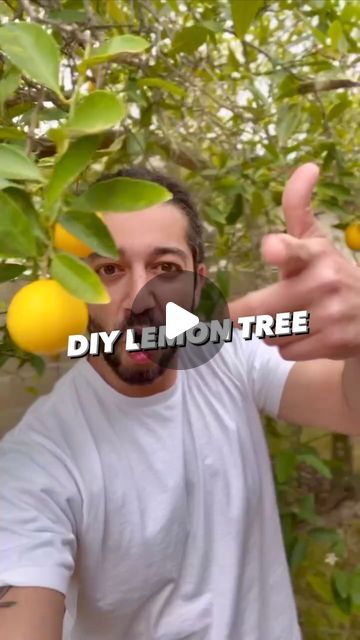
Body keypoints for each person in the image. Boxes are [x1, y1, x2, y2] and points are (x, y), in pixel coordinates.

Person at [0, 163, 359, 640]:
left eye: (165, 269)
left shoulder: (228, 354)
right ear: (72, 289)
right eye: (107, 269)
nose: (139, 300)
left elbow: (348, 404)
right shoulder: (38, 462)